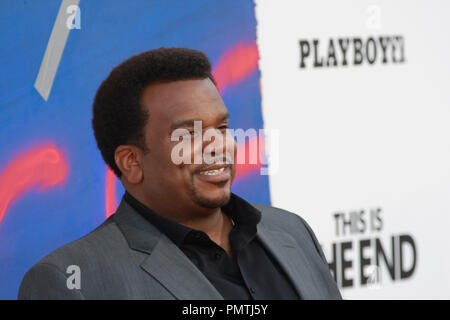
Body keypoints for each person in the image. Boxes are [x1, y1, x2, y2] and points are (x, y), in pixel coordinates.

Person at [18, 48, 341, 300]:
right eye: (189, 134)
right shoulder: (72, 279)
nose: (218, 146)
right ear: (131, 162)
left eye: (222, 127)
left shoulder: (291, 230)